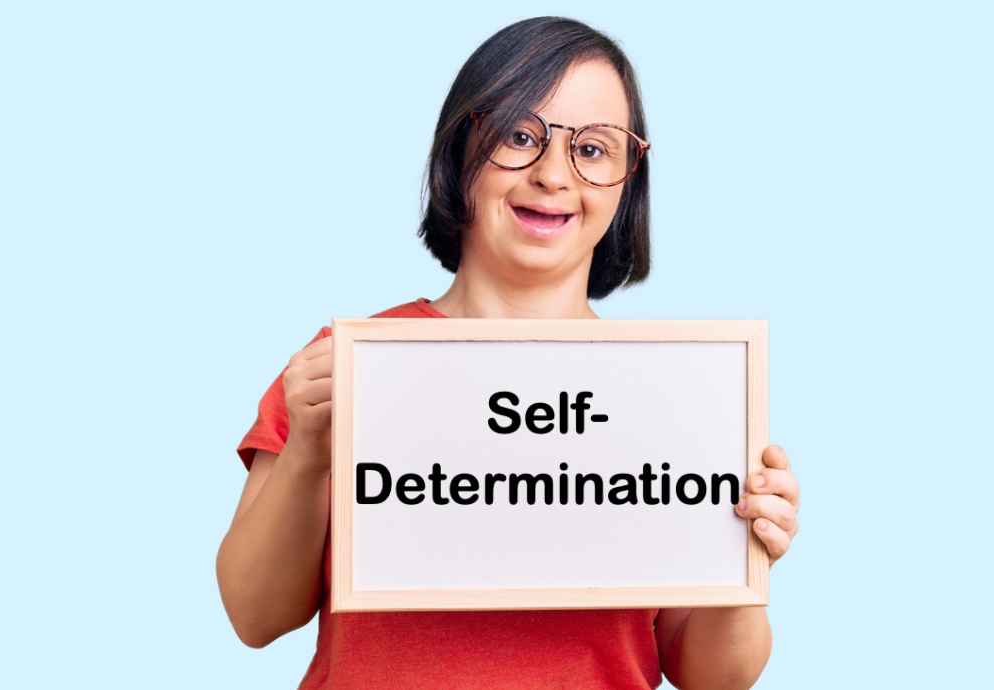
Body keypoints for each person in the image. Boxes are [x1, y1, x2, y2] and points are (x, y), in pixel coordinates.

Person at [216, 16, 800, 690]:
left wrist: (745, 560)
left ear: (628, 180)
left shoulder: (675, 392)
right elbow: (253, 617)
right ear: (460, 148)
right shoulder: (343, 367)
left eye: (593, 149)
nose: (553, 173)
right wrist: (307, 459)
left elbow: (711, 676)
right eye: (520, 137)